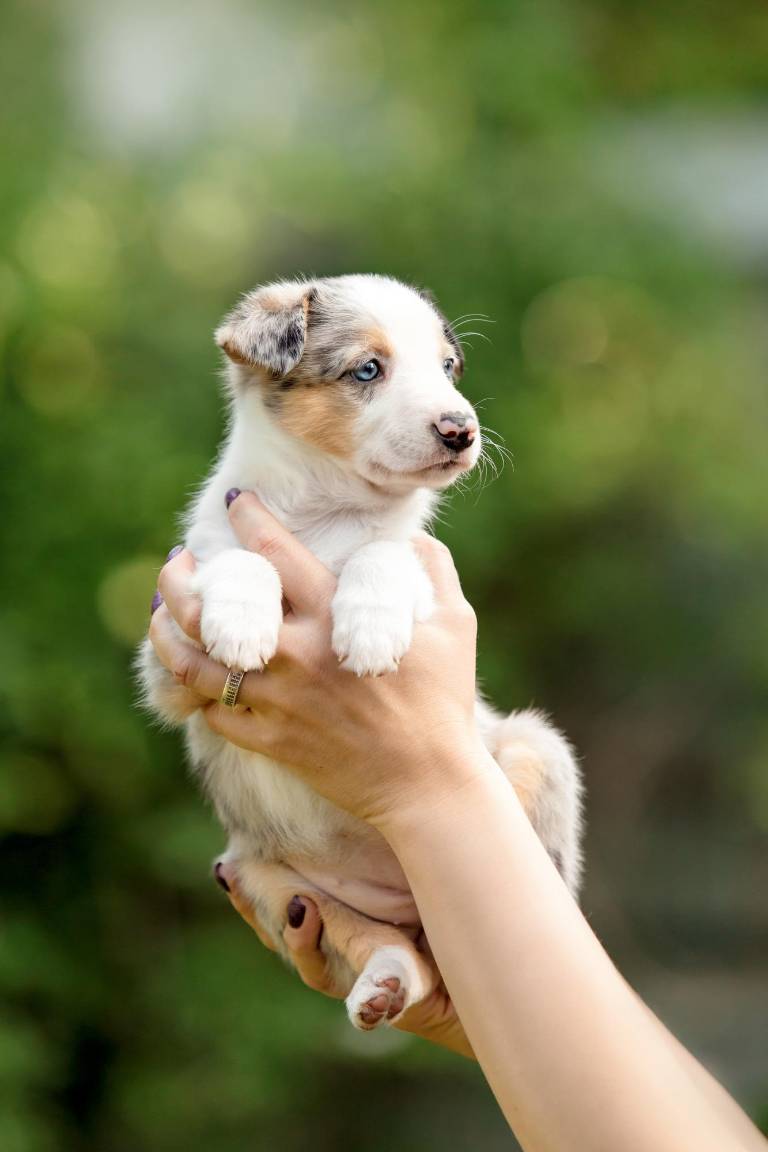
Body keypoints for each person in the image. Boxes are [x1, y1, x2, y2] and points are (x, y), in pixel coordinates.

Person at [149, 491, 765, 1152]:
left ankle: (391, 952)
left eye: (452, 377)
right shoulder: (245, 514)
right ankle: (381, 955)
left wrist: (423, 787)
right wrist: (485, 1003)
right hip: (318, 871)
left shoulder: (388, 540)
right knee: (257, 871)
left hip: (420, 842)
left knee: (537, 757)